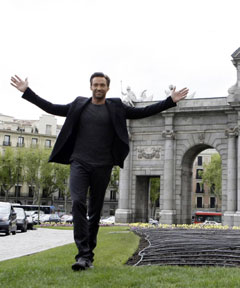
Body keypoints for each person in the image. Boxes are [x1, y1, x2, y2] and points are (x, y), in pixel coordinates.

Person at [10, 73, 188, 271]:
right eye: (95, 85)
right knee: (77, 202)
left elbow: (143, 111)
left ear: (107, 88)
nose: (98, 88)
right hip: (79, 162)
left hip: (103, 165)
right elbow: (51, 107)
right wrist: (27, 92)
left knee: (95, 212)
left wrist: (169, 101)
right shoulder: (79, 105)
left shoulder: (116, 106)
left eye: (102, 85)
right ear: (90, 87)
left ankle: (88, 257)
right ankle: (82, 255)